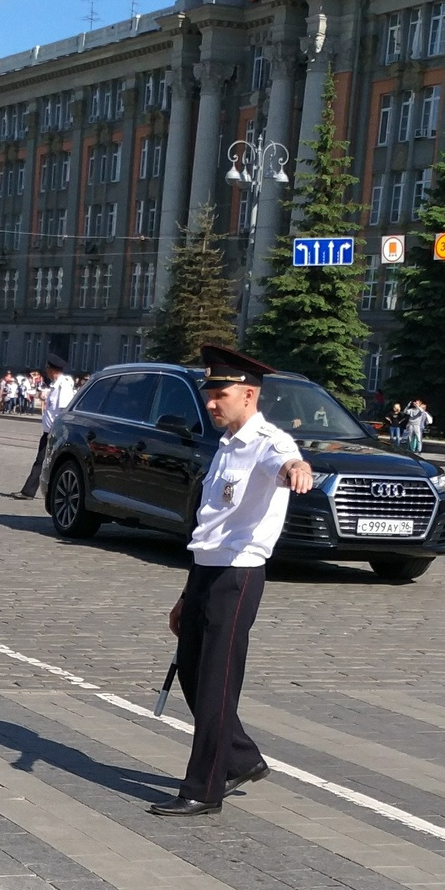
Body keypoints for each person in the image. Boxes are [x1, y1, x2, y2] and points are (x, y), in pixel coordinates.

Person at [150, 345, 314, 819]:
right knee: (190, 668)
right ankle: (241, 757)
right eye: (210, 393)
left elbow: (287, 462)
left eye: (219, 394)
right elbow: (211, 522)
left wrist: (297, 470)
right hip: (206, 569)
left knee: (218, 681)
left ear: (248, 394)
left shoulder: (268, 442)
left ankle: (204, 788)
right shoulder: (225, 445)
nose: (210, 403)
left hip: (238, 574)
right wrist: (187, 593)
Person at [16, 350, 76, 498]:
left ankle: (31, 492)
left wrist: (58, 432)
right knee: (42, 462)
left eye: (47, 369)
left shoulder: (64, 386)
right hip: (49, 431)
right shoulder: (56, 385)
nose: (46, 372)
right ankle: (29, 491)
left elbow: (63, 410)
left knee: (44, 462)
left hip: (54, 433)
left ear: (52, 369)